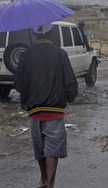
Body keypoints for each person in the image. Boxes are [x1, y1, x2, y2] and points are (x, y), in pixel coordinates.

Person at [15, 24, 78, 188]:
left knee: (40, 149)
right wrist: (71, 96)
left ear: (35, 36)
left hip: (34, 110)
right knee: (52, 149)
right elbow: (70, 82)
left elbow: (19, 84)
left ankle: (43, 179)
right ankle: (50, 184)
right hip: (55, 110)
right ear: (52, 34)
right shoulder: (60, 54)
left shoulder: (26, 55)